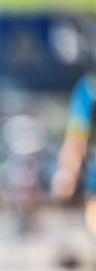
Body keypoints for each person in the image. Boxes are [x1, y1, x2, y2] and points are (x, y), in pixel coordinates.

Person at [52, 70, 96, 236]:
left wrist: (67, 171)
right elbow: (76, 137)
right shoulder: (89, 88)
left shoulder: (89, 88)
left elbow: (76, 138)